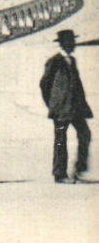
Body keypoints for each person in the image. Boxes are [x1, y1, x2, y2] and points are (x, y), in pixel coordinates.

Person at [40, 29, 91, 183]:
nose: (74, 44)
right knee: (61, 140)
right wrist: (52, 104)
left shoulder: (72, 60)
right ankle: (59, 174)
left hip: (76, 108)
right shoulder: (54, 61)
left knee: (85, 134)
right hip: (61, 109)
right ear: (64, 44)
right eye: (71, 42)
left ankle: (79, 169)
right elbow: (44, 84)